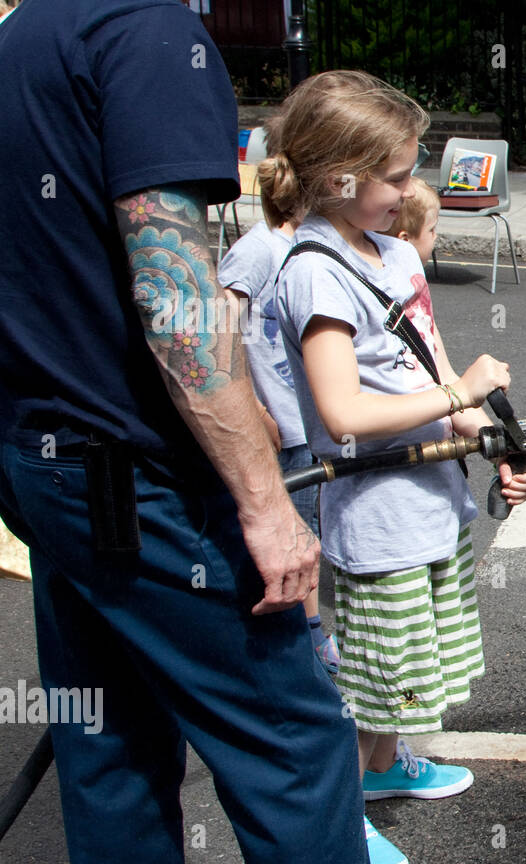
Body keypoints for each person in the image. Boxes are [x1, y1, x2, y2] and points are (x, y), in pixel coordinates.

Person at [0, 0, 372, 864]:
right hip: (137, 472)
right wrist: (265, 502)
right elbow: (174, 300)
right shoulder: (148, 32)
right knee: (292, 741)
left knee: (108, 737)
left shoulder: (26, 33)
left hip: (46, 454)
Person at [268, 71, 526, 864]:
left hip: (431, 501)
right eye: (394, 176)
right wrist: (459, 394)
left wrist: (495, 438)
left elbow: (434, 375)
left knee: (416, 664)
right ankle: (339, 823)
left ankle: (387, 764)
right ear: (338, 176)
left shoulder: (394, 254)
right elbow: (345, 412)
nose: (410, 190)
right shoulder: (314, 271)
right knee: (372, 679)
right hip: (376, 515)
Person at [218, 129, 340, 676]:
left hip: (305, 420)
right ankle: (310, 640)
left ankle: (306, 631)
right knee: (300, 530)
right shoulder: (257, 250)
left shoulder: (301, 248)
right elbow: (218, 332)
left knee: (312, 521)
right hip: (282, 422)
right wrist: (256, 410)